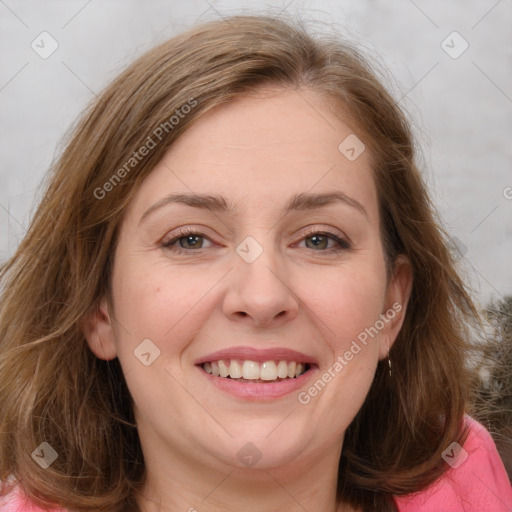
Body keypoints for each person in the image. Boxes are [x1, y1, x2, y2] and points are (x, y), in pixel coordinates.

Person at [0, 13, 510, 512]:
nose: (262, 297)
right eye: (191, 240)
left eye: (319, 241)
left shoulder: (469, 484)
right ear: (98, 308)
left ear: (392, 305)